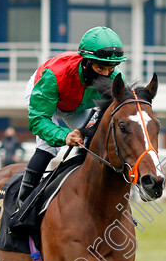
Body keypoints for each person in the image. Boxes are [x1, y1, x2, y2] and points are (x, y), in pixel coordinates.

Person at [15, 26, 128, 207]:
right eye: (101, 68)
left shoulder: (115, 78)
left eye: (111, 68)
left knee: (95, 140)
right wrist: (65, 136)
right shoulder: (54, 75)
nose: (107, 74)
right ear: (86, 62)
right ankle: (22, 204)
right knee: (48, 147)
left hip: (76, 106)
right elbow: (38, 121)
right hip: (45, 96)